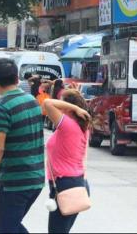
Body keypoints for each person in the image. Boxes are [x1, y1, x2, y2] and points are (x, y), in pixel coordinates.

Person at [0, 59, 45, 233]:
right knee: (13, 227)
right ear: (17, 79)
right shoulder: (32, 101)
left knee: (8, 229)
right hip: (36, 179)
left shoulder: (2, 108)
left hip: (16, 182)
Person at [43, 89, 91, 233]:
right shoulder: (81, 127)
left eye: (62, 103)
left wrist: (75, 107)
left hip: (65, 184)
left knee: (56, 231)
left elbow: (47, 103)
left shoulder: (68, 125)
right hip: (75, 182)